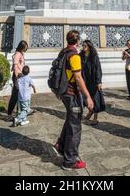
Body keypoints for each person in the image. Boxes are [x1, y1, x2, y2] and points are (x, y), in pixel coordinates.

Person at [53, 30, 94, 170]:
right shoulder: (74, 56)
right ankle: (70, 160)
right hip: (72, 94)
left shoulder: (63, 52)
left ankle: (61, 145)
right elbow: (78, 77)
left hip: (64, 92)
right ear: (77, 42)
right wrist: (88, 96)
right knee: (75, 125)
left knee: (71, 119)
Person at [80, 39, 104, 125]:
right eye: (82, 45)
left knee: (95, 98)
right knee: (85, 97)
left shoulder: (94, 56)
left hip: (93, 80)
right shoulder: (81, 55)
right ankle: (90, 111)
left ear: (89, 47)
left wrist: (99, 81)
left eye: (85, 46)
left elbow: (98, 69)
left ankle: (95, 117)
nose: (83, 47)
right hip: (84, 80)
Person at [7, 40, 28, 121]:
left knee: (20, 95)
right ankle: (9, 114)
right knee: (15, 96)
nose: (26, 49)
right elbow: (15, 66)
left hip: (21, 76)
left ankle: (19, 112)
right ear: (22, 47)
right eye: (25, 47)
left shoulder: (21, 54)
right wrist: (17, 77)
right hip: (17, 76)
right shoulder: (17, 54)